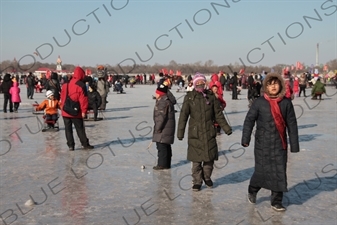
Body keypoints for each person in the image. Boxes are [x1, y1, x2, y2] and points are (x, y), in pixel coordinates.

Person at [241, 73, 299, 212]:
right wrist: (245, 139)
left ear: (280, 85)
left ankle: (276, 201)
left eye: (275, 83)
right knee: (261, 172)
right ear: (265, 87)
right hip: (262, 144)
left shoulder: (286, 103)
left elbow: (292, 124)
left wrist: (295, 144)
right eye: (270, 84)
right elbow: (249, 120)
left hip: (280, 144)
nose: (273, 86)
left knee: (279, 172)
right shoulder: (260, 102)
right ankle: (252, 189)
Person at [177, 73, 232, 191]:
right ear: (194, 84)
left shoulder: (211, 97)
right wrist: (180, 132)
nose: (200, 85)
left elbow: (218, 114)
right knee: (196, 161)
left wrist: (226, 128)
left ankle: (207, 177)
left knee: (209, 160)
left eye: (202, 83)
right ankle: (197, 181)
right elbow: (183, 116)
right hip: (195, 135)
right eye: (198, 83)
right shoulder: (189, 97)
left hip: (208, 133)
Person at [60, 66, 94, 150]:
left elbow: (62, 97)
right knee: (80, 129)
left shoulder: (66, 84)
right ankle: (85, 144)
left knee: (68, 129)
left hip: (65, 110)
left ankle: (71, 145)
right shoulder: (81, 85)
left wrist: (62, 107)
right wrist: (84, 111)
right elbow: (83, 99)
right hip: (76, 111)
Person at [152, 80, 176, 170]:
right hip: (167, 128)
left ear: (160, 93)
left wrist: (158, 128)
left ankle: (162, 164)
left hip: (163, 129)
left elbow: (160, 117)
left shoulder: (162, 102)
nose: (155, 94)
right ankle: (166, 164)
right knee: (166, 146)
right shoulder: (167, 100)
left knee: (161, 146)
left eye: (156, 92)